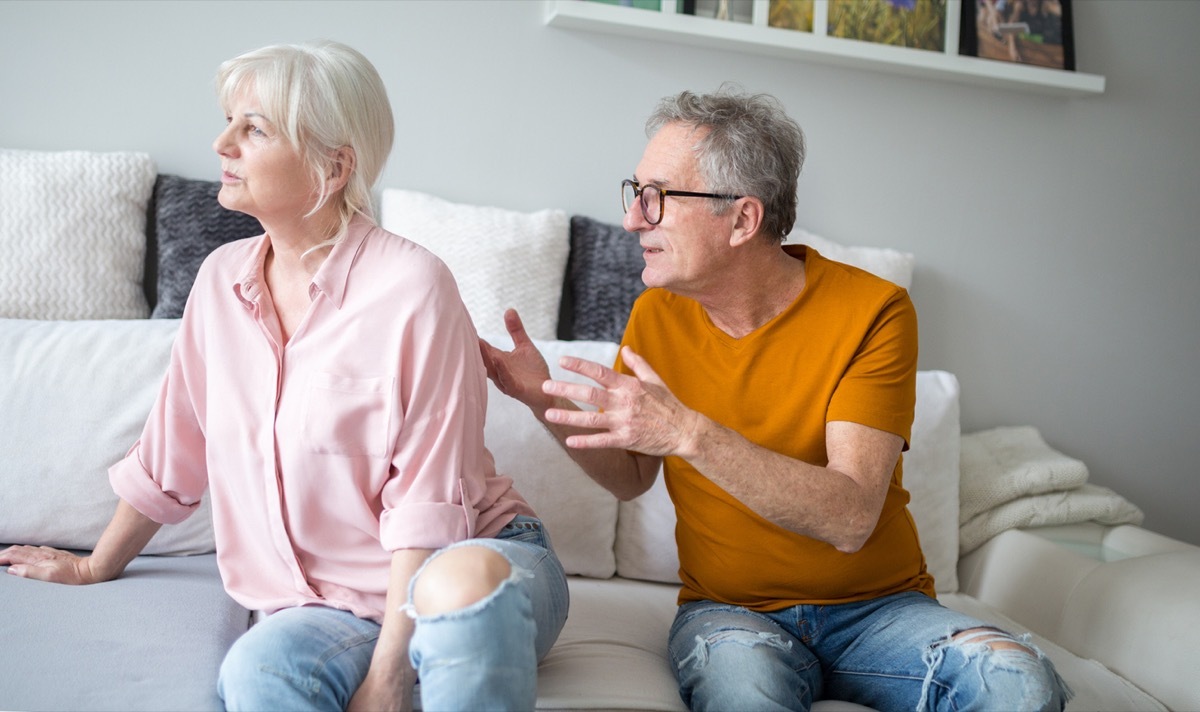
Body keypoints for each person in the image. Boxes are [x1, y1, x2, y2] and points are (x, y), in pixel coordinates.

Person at [0, 41, 567, 712]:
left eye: (254, 128)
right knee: (257, 677)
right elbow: (172, 452)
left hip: (469, 568)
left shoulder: (415, 288)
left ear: (333, 166)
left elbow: (429, 501)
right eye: (229, 122)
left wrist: (385, 678)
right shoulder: (219, 282)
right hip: (325, 606)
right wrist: (96, 564)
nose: (221, 143)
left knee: (461, 602)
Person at [481, 88, 1070, 711]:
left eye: (656, 197)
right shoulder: (658, 313)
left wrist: (689, 433)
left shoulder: (874, 311)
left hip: (880, 611)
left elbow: (850, 518)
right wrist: (538, 397)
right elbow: (630, 476)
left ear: (742, 220)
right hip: (731, 616)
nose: (633, 219)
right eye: (635, 193)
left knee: (1018, 684)